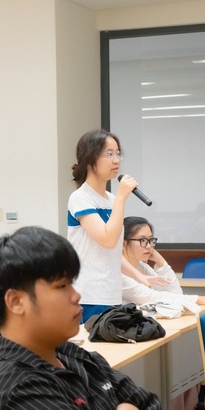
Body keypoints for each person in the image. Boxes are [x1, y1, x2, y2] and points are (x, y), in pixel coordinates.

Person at [0, 226, 175, 410]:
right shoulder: (16, 387)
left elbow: (153, 406)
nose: (76, 295)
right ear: (16, 301)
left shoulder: (71, 354)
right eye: (62, 286)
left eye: (72, 283)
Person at [121, 216, 205, 410]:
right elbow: (151, 297)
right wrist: (199, 299)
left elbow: (173, 291)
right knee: (169, 365)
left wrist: (159, 259)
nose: (149, 246)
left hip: (152, 330)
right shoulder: (119, 272)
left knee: (187, 355)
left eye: (152, 240)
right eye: (142, 240)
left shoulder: (142, 266)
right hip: (131, 341)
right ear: (123, 243)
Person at [67, 130, 139, 322]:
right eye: (109, 154)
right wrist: (122, 198)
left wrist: (141, 277)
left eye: (118, 154)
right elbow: (108, 240)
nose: (116, 160)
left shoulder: (112, 199)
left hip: (112, 294)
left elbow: (113, 252)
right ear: (90, 158)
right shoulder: (80, 197)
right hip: (89, 295)